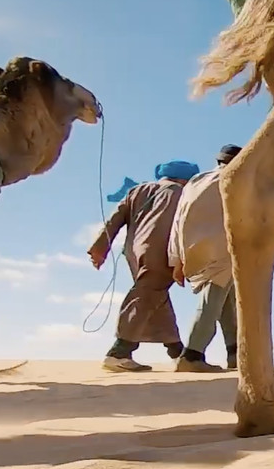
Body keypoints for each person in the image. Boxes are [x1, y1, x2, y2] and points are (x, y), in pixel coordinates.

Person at [88, 160, 199, 372]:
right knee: (147, 294)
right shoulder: (178, 193)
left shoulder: (137, 190)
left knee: (156, 296)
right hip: (160, 250)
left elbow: (115, 218)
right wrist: (182, 258)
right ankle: (119, 352)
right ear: (184, 179)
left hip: (134, 252)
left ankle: (177, 352)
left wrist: (100, 247)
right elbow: (175, 226)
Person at [168, 144, 242, 373]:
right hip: (223, 249)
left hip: (193, 250)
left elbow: (178, 220)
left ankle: (236, 355)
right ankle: (192, 354)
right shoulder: (238, 180)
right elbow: (255, 212)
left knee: (226, 302)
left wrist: (177, 260)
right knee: (211, 303)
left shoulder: (196, 181)